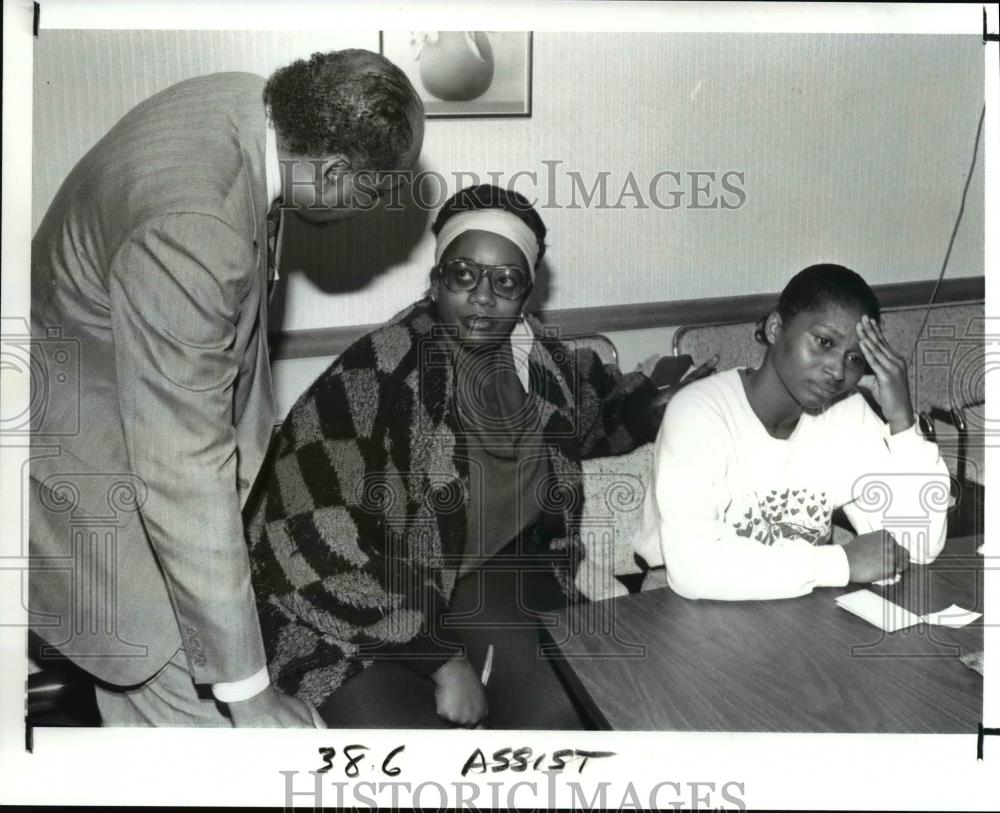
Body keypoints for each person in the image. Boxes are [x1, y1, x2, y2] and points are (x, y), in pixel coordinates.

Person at [29, 49, 425, 727]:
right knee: (216, 743)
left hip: (122, 430)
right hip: (91, 474)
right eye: (377, 190)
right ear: (331, 173)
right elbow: (181, 471)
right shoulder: (197, 224)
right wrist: (248, 691)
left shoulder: (253, 105)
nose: (379, 208)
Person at [246, 184, 713, 728]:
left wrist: (660, 407)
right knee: (415, 763)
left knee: (570, 717)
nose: (483, 297)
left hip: (480, 576)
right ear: (437, 277)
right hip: (349, 603)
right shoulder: (376, 374)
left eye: (506, 281)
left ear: (527, 295)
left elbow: (593, 415)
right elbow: (307, 542)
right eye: (463, 274)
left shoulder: (538, 359)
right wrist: (441, 661)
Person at [634, 263, 950, 600]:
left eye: (855, 358)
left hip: (792, 604)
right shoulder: (697, 412)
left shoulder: (845, 412)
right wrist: (841, 562)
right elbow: (693, 571)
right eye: (824, 342)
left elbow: (918, 545)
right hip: (677, 608)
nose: (837, 370)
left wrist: (902, 422)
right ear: (774, 328)